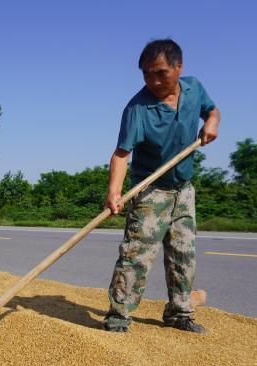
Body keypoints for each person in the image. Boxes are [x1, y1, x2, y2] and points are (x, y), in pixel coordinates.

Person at [103, 38, 220, 333]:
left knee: (184, 253)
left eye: (160, 73)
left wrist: (212, 122)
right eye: (146, 74)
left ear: (179, 67)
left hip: (184, 189)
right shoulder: (138, 109)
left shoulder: (194, 89)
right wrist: (114, 193)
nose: (153, 81)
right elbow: (121, 154)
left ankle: (179, 312)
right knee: (136, 255)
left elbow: (212, 111)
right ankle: (119, 315)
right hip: (151, 190)